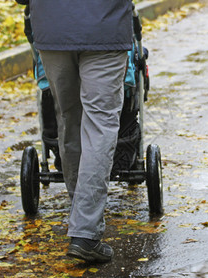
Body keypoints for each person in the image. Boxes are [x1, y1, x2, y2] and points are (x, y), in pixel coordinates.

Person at [28, 0, 133, 263]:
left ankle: (81, 217)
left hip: (53, 29)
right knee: (99, 125)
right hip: (105, 28)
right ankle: (85, 232)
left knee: (69, 120)